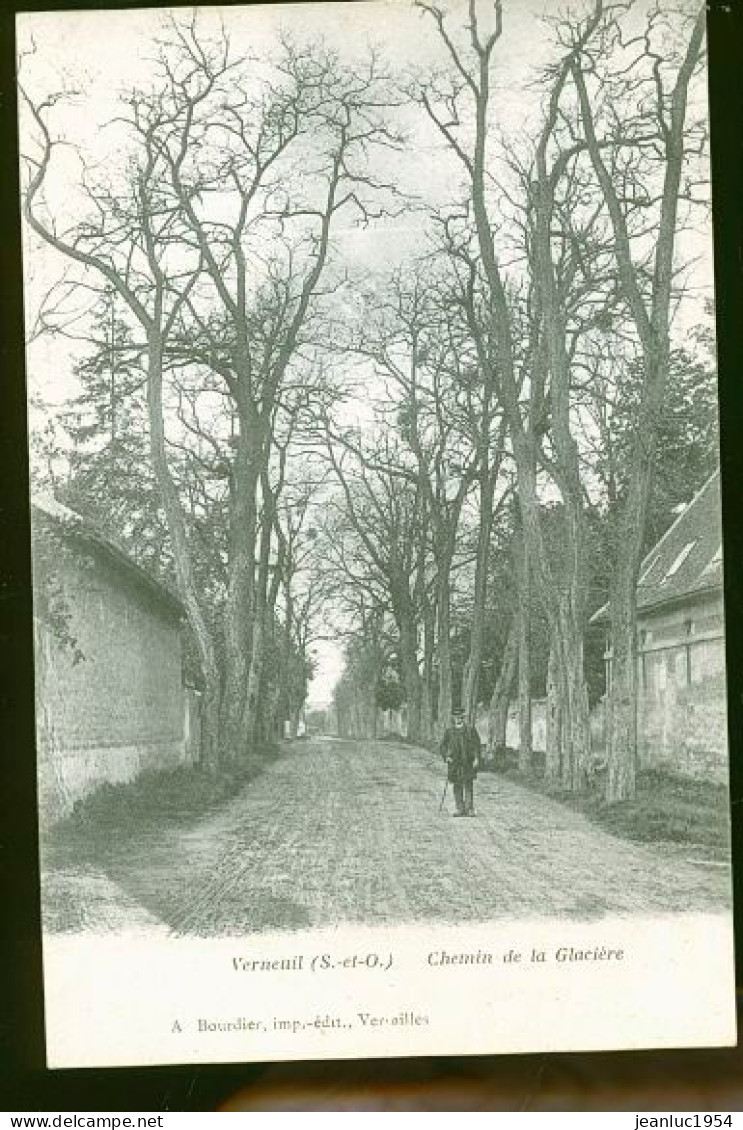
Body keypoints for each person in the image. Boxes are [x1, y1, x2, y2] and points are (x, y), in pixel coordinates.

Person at [440, 706, 482, 817]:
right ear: (453, 718)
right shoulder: (449, 731)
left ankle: (469, 809)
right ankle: (460, 809)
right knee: (457, 785)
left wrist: (477, 758)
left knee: (468, 784)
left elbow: (477, 745)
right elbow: (443, 746)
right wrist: (446, 756)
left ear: (463, 718)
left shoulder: (470, 730)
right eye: (456, 717)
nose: (459, 719)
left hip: (468, 761)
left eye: (461, 717)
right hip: (455, 762)